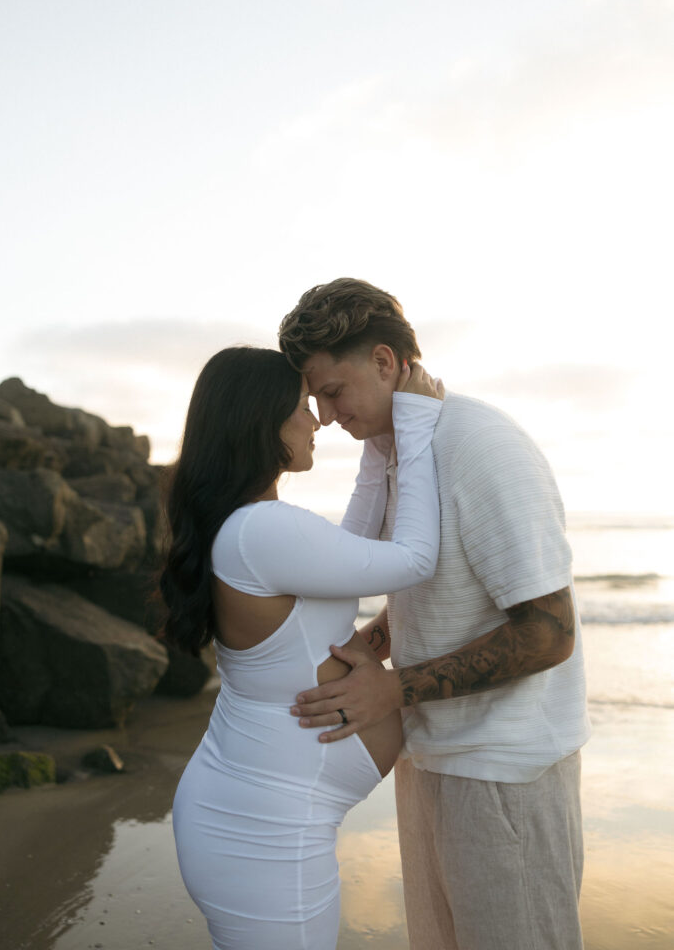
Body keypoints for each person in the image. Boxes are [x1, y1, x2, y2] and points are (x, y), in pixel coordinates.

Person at [279, 279, 591, 950]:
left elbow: (549, 631)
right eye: (313, 400)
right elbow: (444, 584)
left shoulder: (479, 446)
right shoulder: (397, 450)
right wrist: (381, 637)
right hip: (434, 755)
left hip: (506, 772)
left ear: (385, 362)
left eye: (332, 391)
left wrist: (393, 687)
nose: (325, 416)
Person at [159, 345, 443, 950]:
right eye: (300, 408)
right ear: (262, 424)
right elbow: (414, 559)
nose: (317, 420)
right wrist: (415, 423)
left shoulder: (250, 525)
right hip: (262, 834)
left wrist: (382, 444)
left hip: (255, 816)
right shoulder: (264, 529)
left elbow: (352, 545)